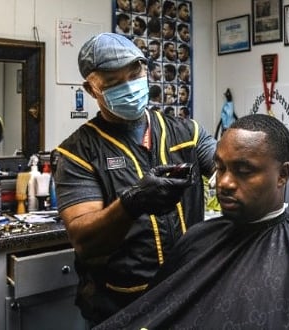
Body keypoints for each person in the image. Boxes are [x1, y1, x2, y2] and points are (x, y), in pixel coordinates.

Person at [95, 114, 289, 329]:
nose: (225, 183)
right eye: (220, 168)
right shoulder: (197, 239)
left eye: (244, 170)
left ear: (282, 175)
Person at [52, 32, 216, 326]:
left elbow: (229, 172)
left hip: (188, 288)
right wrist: (130, 203)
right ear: (91, 89)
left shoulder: (187, 134)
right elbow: (85, 240)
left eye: (134, 74)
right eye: (114, 82)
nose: (129, 86)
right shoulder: (77, 153)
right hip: (121, 302)